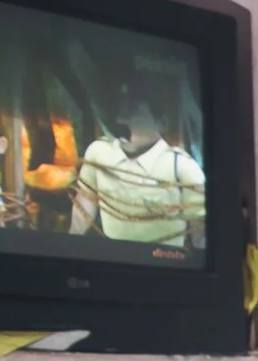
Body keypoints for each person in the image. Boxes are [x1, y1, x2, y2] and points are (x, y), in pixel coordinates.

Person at [68, 92, 204, 246]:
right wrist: (71, 244)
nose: (121, 121)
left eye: (133, 113)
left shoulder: (181, 166)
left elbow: (199, 228)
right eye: (119, 113)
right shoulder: (98, 153)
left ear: (160, 123)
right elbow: (85, 201)